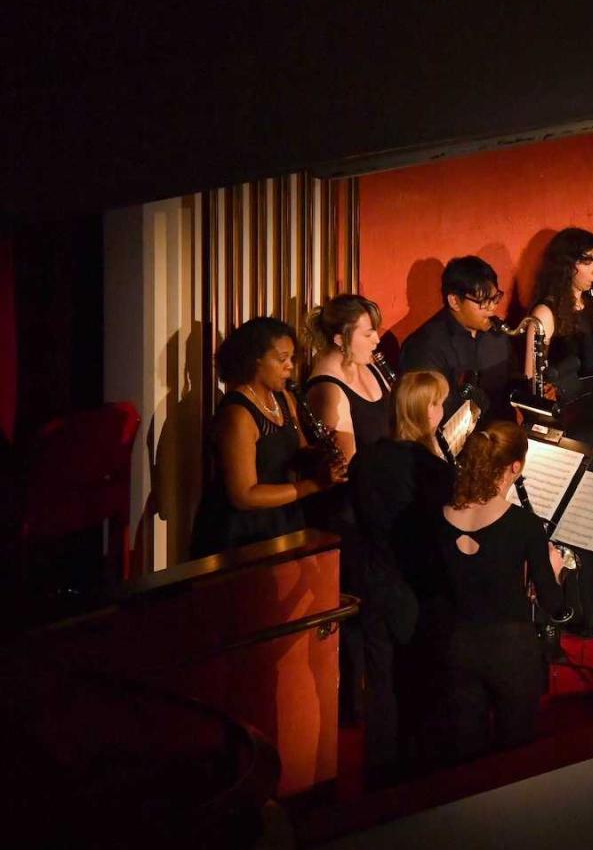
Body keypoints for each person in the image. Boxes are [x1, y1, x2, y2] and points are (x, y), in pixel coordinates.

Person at [425, 420, 572, 761]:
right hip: (510, 651)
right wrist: (556, 571)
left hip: (456, 647)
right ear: (515, 467)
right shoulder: (524, 524)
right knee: (516, 755)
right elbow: (553, 605)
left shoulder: (440, 518)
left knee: (466, 755)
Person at [349, 369, 455, 777]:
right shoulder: (431, 469)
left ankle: (380, 774)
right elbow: (441, 534)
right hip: (417, 588)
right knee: (418, 681)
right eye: (438, 403)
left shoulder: (367, 458)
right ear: (424, 411)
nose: (442, 411)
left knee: (381, 686)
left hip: (375, 582)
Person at [190, 317, 343, 557]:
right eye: (282, 359)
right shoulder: (238, 415)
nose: (290, 366)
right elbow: (244, 495)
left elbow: (297, 452)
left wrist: (322, 456)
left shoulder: (284, 398)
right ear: (255, 361)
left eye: (291, 358)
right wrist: (313, 485)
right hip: (241, 534)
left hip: (280, 520)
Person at [522, 227, 593, 636]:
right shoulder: (544, 313)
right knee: (563, 517)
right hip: (562, 429)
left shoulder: (592, 304)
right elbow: (531, 380)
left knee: (589, 511)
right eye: (588, 261)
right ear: (567, 264)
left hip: (591, 421)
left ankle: (590, 600)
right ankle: (564, 607)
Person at [399, 255, 514, 423]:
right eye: (483, 301)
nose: (492, 308)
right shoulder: (423, 346)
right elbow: (429, 415)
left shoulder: (497, 334)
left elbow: (510, 383)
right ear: (454, 301)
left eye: (495, 298)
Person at [303, 294, 393, 463]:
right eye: (368, 335)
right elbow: (346, 467)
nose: (377, 340)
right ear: (340, 339)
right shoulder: (327, 389)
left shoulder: (371, 365)